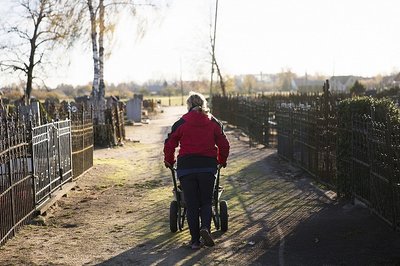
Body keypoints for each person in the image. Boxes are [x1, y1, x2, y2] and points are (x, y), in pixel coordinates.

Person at [163, 92, 230, 250]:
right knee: (206, 201)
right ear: (204, 104)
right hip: (207, 167)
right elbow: (224, 144)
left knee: (191, 205)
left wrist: (170, 160)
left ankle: (195, 241)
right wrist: (221, 161)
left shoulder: (181, 122)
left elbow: (170, 143)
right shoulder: (213, 122)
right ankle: (205, 228)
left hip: (186, 168)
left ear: (188, 105)